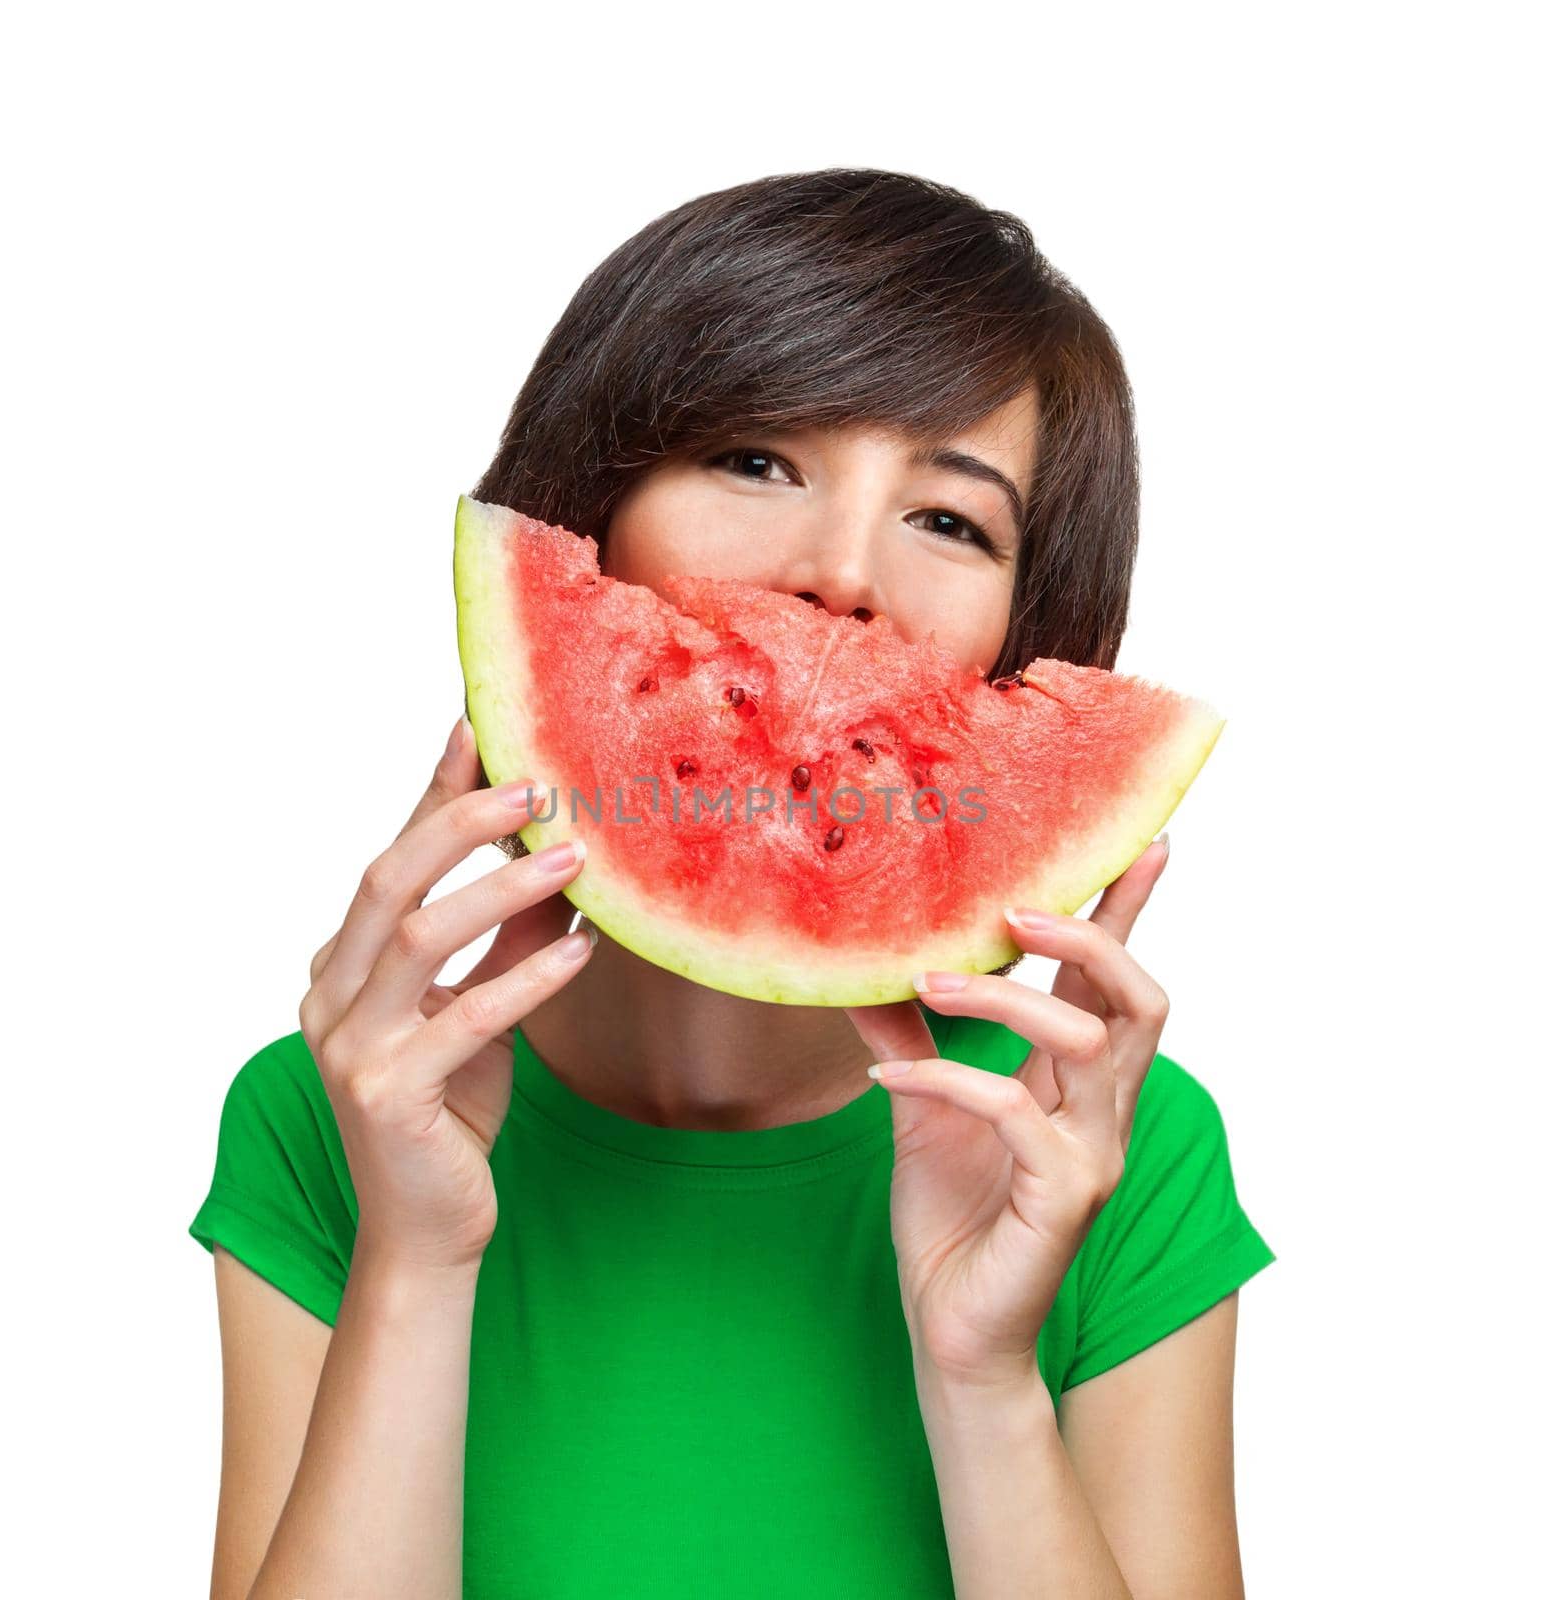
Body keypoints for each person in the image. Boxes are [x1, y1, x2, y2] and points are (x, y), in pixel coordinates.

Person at [192, 167, 1275, 1599]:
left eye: (952, 522)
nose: (839, 574)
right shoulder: (332, 1116)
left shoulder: (1101, 1152)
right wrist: (416, 1260)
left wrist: (985, 1373)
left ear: (1031, 638)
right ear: (587, 510)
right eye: (759, 460)